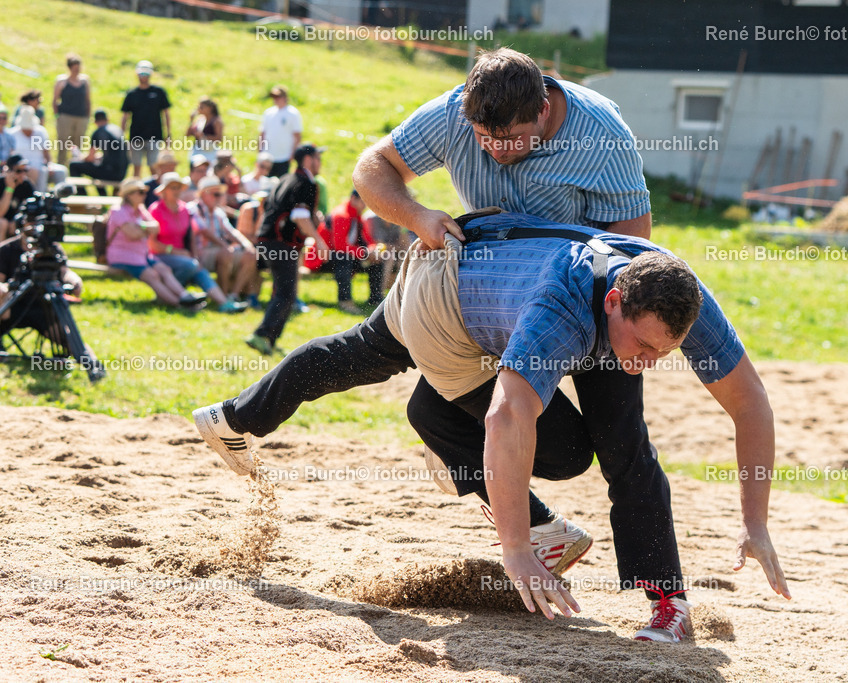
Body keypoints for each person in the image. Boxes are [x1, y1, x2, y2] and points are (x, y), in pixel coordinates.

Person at [188, 46, 688, 629]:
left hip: (586, 302)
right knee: (390, 373)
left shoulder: (600, 133)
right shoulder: (453, 112)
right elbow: (373, 168)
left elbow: (635, 240)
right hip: (478, 288)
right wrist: (419, 216)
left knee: (619, 438)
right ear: (469, 114)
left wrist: (615, 328)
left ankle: (666, 601)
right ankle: (236, 418)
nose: (498, 153)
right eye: (484, 138)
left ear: (545, 110)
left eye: (515, 140)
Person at [193, 211, 790, 640]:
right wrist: (517, 551)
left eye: (666, 352)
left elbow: (751, 403)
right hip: (446, 295)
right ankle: (476, 478)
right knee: (521, 437)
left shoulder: (673, 295)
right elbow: (508, 415)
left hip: (503, 271)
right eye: (646, 346)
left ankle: (668, 606)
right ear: (614, 304)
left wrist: (755, 523)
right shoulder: (561, 311)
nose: (650, 363)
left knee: (622, 445)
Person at [244, 144, 329, 354]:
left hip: (268, 240)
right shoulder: (306, 183)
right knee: (286, 293)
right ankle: (261, 335)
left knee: (284, 292)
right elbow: (299, 216)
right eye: (318, 158)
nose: (320, 162)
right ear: (308, 160)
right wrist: (319, 239)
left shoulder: (285, 179)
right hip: (283, 243)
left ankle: (269, 340)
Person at [147, 172, 244, 313]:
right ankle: (176, 297)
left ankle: (223, 303)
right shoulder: (155, 210)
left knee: (198, 268)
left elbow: (192, 234)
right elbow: (152, 245)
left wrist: (193, 254)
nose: (176, 191)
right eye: (172, 187)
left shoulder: (184, 209)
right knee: (191, 266)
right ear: (164, 191)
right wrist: (175, 252)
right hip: (160, 256)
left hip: (184, 256)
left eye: (178, 187)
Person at [105, 178, 204, 307]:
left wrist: (140, 227)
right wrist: (146, 228)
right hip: (123, 256)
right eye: (140, 192)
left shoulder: (140, 209)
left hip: (141, 255)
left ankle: (184, 296)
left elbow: (156, 227)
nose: (144, 195)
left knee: (164, 269)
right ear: (129, 195)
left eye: (144, 192)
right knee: (152, 275)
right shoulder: (119, 211)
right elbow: (134, 235)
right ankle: (179, 304)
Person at [190, 175, 257, 303]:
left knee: (251, 255)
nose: (219, 198)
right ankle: (224, 297)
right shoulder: (193, 209)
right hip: (199, 252)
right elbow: (204, 231)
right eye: (216, 194)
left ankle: (233, 296)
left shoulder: (218, 212)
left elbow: (231, 232)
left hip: (218, 250)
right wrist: (224, 245)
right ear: (204, 194)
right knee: (226, 253)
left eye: (220, 194)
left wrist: (246, 244)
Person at [325, 190, 383, 313]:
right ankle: (345, 300)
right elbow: (339, 246)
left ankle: (376, 299)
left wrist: (372, 250)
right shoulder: (342, 214)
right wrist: (365, 253)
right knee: (344, 258)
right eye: (363, 201)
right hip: (323, 258)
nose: (365, 205)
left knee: (377, 260)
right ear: (353, 198)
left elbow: (367, 239)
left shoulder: (356, 215)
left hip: (347, 256)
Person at [121, 60, 171, 178]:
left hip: (154, 135)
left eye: (146, 74)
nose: (143, 77)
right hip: (136, 136)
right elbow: (125, 116)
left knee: (153, 167)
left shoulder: (158, 92)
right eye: (141, 74)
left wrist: (168, 134)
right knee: (136, 168)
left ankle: (153, 194)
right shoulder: (132, 93)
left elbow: (166, 114)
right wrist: (122, 135)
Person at [68, 110, 128, 195]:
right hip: (122, 172)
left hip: (110, 172)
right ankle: (103, 196)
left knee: (73, 165)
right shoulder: (117, 129)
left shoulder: (98, 132)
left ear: (95, 121)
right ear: (107, 119)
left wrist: (80, 157)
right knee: (97, 170)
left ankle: (82, 197)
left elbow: (90, 158)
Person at [10, 109, 66, 191]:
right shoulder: (13, 134)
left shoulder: (41, 132)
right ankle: (40, 199)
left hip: (41, 164)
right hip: (24, 167)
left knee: (61, 171)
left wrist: (49, 164)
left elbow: (46, 152)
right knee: (42, 172)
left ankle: (59, 198)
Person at [53, 54, 92, 166]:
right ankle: (61, 166)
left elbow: (88, 100)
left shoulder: (85, 81)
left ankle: (76, 168)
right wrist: (57, 116)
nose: (77, 70)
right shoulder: (62, 81)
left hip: (81, 116)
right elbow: (55, 100)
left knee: (78, 146)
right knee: (63, 144)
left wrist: (88, 116)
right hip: (65, 116)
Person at [259, 85, 302, 177]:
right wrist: (260, 150)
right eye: (274, 97)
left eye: (278, 97)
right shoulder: (268, 113)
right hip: (268, 155)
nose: (275, 99)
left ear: (284, 97)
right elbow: (263, 133)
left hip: (284, 156)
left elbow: (297, 136)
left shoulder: (292, 113)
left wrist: (293, 153)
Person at [236, 190, 268, 309]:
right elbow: (243, 234)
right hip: (247, 247)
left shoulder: (275, 211)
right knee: (254, 255)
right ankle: (251, 295)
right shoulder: (249, 209)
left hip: (265, 248)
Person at [0, 155, 36, 239]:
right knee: (2, 224)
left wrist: (17, 221)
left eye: (25, 170)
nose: (23, 174)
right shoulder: (1, 183)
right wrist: (10, 188)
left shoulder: (27, 185)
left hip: (17, 221)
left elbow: (32, 209)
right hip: (3, 221)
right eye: (19, 171)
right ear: (9, 171)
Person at [185, 96, 223, 163]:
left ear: (210, 108)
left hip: (210, 152)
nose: (199, 109)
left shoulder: (216, 121)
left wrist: (203, 136)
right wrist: (191, 120)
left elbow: (219, 139)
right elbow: (187, 135)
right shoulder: (200, 119)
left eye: (201, 107)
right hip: (197, 150)